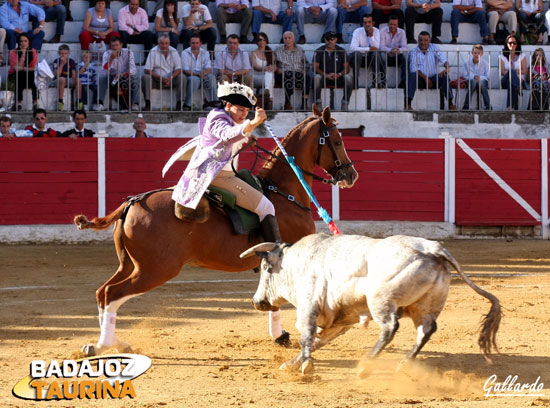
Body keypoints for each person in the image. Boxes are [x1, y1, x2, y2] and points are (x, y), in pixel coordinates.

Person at [171, 81, 281, 243]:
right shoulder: (217, 117)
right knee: (267, 207)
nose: (244, 114)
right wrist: (253, 123)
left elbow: (232, 137)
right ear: (228, 106)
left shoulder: (230, 119)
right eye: (240, 109)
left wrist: (247, 136)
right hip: (217, 176)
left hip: (222, 174)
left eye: (247, 111)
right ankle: (274, 255)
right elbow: (227, 135)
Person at [406, 31, 456, 111]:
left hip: (434, 78)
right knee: (412, 75)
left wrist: (447, 68)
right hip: (421, 79)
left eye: (425, 40)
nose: (423, 42)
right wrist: (426, 78)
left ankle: (450, 104)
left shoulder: (434, 47)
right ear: (418, 40)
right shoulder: (413, 52)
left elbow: (443, 60)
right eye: (421, 40)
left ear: (429, 41)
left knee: (445, 77)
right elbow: (413, 69)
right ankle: (408, 104)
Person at [142, 33, 183, 111]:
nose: (164, 45)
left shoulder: (173, 51)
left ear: (169, 43)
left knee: (182, 77)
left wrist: (170, 78)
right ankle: (147, 103)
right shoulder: (153, 51)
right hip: (156, 79)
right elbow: (147, 70)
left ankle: (179, 104)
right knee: (145, 77)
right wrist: (162, 78)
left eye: (166, 43)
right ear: (158, 43)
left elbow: (179, 69)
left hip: (171, 79)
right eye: (162, 43)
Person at [97, 36, 140, 111]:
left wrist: (123, 74)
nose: (115, 47)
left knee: (136, 77)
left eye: (117, 45)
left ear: (121, 45)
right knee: (102, 78)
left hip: (125, 75)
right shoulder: (107, 53)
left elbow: (133, 69)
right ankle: (100, 103)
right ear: (110, 46)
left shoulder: (128, 52)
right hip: (112, 76)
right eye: (113, 46)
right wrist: (111, 59)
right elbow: (104, 72)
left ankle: (135, 103)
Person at [313, 31, 353, 111]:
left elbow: (347, 69)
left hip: (338, 78)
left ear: (336, 40)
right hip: (324, 77)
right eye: (328, 39)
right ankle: (318, 103)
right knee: (317, 77)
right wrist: (325, 75)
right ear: (324, 40)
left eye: (332, 39)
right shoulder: (319, 51)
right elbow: (315, 68)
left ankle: (345, 103)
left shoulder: (341, 51)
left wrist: (338, 74)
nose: (330, 41)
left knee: (348, 78)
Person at [275, 31, 312, 110]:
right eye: (285, 38)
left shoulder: (300, 50)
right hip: (283, 75)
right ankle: (287, 103)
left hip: (298, 74)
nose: (287, 40)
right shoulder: (278, 50)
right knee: (289, 75)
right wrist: (277, 69)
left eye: (289, 38)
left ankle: (304, 103)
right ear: (283, 40)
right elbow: (273, 63)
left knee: (307, 78)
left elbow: (306, 64)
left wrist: (304, 70)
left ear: (294, 39)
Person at [181, 33, 217, 110]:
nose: (195, 45)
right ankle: (187, 104)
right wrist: (198, 74)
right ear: (189, 43)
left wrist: (204, 73)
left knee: (211, 77)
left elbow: (208, 68)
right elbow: (186, 70)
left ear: (200, 43)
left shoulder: (205, 53)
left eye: (197, 43)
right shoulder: (185, 53)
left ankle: (214, 101)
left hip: (202, 74)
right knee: (195, 79)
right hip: (191, 75)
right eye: (193, 43)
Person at [349, 14, 385, 91]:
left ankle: (374, 81)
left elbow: (376, 48)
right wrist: (368, 49)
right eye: (365, 22)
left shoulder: (376, 31)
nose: (367, 24)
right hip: (358, 58)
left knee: (376, 54)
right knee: (357, 54)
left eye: (369, 22)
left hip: (369, 58)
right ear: (363, 23)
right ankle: (355, 82)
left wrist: (371, 36)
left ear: (373, 23)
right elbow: (352, 48)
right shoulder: (357, 31)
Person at [9, 33, 38, 112]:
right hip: (15, 76)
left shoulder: (33, 51)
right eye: (21, 41)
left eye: (25, 41)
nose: (23, 43)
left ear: (29, 42)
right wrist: (23, 54)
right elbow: (16, 69)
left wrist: (23, 68)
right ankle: (19, 103)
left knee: (34, 75)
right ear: (18, 43)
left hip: (29, 76)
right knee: (20, 74)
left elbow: (34, 68)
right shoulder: (13, 52)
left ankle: (35, 102)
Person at [379, 14, 407, 89]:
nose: (393, 26)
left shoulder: (402, 32)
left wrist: (398, 50)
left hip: (397, 55)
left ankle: (403, 82)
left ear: (397, 24)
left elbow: (404, 47)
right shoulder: (382, 31)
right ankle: (383, 81)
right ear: (388, 24)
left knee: (405, 57)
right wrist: (391, 50)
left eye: (395, 24)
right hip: (387, 55)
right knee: (381, 55)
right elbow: (381, 47)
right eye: (391, 24)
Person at [499, 34, 526, 109]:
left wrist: (512, 73)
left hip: (519, 79)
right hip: (505, 80)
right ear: (506, 44)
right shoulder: (502, 56)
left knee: (510, 83)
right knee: (511, 74)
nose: (512, 44)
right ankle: (518, 86)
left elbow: (524, 70)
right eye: (510, 43)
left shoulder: (522, 55)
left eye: (514, 43)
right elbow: (501, 71)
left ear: (517, 44)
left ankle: (510, 107)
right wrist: (512, 72)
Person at [462, 44, 491, 110]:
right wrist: (474, 77)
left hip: (482, 81)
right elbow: (465, 75)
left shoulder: (485, 63)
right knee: (474, 82)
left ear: (482, 54)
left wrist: (479, 78)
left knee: (482, 83)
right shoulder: (466, 63)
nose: (476, 55)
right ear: (472, 53)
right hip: (471, 82)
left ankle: (488, 106)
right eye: (475, 53)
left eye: (478, 53)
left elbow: (488, 76)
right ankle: (466, 106)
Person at [250, 32, 276, 107]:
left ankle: (267, 91)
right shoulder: (253, 53)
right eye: (260, 40)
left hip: (267, 78)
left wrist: (272, 68)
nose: (262, 41)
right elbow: (255, 66)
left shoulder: (270, 53)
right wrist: (265, 68)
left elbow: (275, 66)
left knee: (270, 74)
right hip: (256, 77)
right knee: (270, 76)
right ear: (257, 42)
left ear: (266, 41)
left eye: (263, 40)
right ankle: (269, 99)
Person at [51, 43, 79, 111]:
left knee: (78, 80)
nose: (63, 55)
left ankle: (79, 101)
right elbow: (57, 75)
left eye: (65, 53)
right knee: (62, 79)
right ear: (59, 53)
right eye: (61, 53)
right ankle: (60, 101)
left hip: (69, 80)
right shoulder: (56, 61)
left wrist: (74, 74)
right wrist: (62, 64)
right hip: (58, 80)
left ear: (68, 53)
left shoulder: (71, 61)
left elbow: (74, 76)